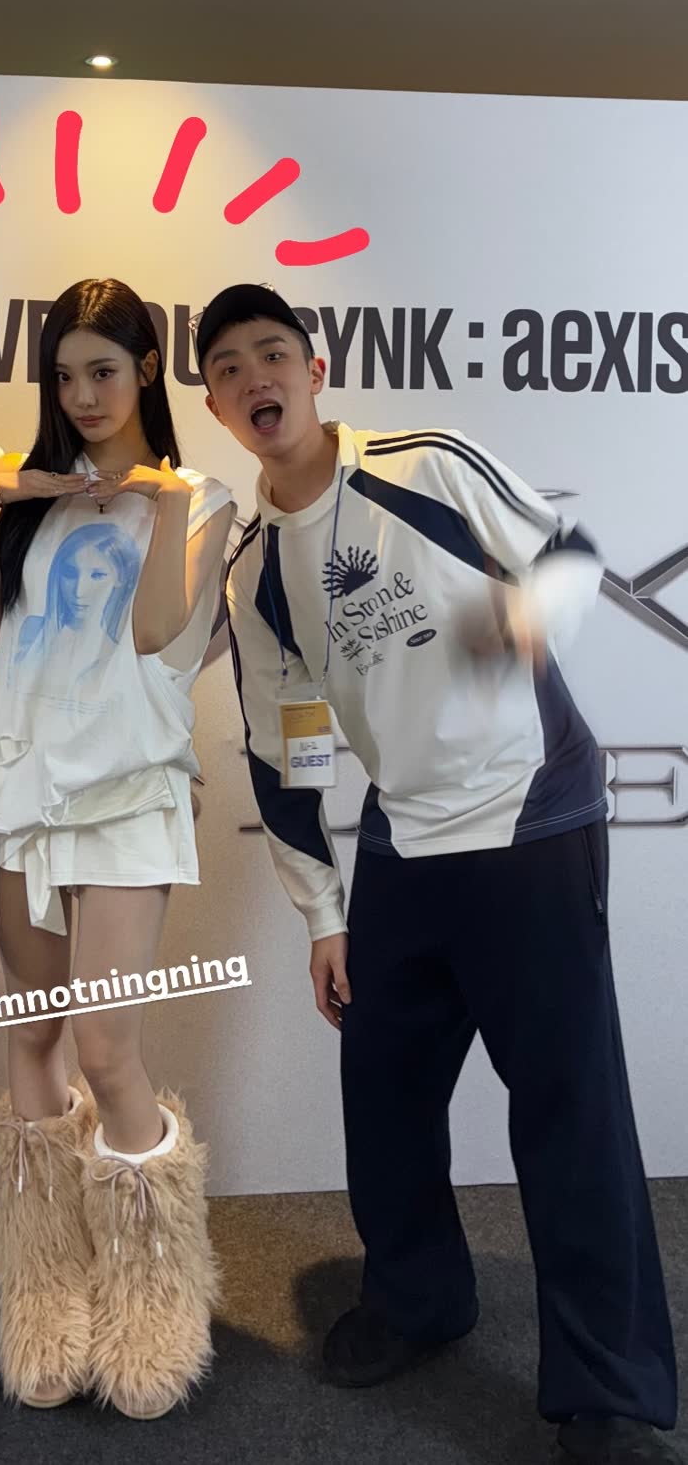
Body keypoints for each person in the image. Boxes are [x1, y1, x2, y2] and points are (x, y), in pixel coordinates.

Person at [198, 281, 678, 1465]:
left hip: (528, 819)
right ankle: (419, 1298)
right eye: (228, 368)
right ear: (214, 404)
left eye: (272, 353)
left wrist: (527, 621)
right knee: (385, 1088)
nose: (256, 378)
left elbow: (568, 556)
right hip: (404, 839)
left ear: (314, 369)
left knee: (567, 1109)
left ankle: (606, 1390)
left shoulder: (422, 465)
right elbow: (283, 753)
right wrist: (322, 915)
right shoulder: (256, 569)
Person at [0, 276, 235, 1421]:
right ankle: (45, 1301)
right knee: (30, 1040)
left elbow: (159, 631)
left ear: (146, 371)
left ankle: (154, 1305)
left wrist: (157, 499)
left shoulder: (201, 497)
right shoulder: (34, 500)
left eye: (103, 371)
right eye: (64, 375)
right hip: (20, 799)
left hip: (124, 803)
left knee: (109, 1051)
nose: (82, 395)